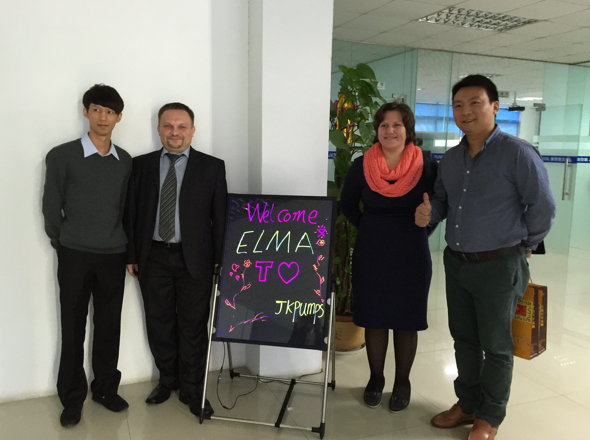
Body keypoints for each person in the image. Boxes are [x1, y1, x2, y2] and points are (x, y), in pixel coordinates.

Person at [415, 75, 556, 440]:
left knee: (496, 346)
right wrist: (429, 214)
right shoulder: (450, 158)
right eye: (458, 105)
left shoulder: (517, 153)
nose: (466, 111)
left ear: (494, 106)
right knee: (463, 339)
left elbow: (542, 208)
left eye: (475, 102)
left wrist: (524, 247)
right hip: (457, 262)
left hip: (499, 265)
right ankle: (467, 404)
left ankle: (489, 416)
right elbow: (442, 201)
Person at [125, 102, 227, 419]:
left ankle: (193, 389)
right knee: (159, 323)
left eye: (182, 126)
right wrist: (132, 255)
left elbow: (220, 216)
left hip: (195, 260)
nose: (175, 132)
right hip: (153, 256)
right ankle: (167, 380)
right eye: (168, 126)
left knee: (193, 326)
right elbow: (132, 212)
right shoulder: (140, 165)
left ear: (192, 131)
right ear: (159, 129)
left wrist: (220, 259)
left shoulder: (212, 167)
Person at [42, 84, 132, 427]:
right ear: (86, 112)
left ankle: (105, 389)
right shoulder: (62, 155)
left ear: (118, 117)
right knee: (73, 327)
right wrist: (62, 240)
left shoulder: (125, 161)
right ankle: (71, 397)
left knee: (109, 326)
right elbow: (51, 205)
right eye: (97, 110)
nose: (103, 117)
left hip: (113, 254)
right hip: (75, 254)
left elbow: (125, 209)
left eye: (110, 112)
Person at [340, 102, 437, 413]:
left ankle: (403, 382)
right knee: (375, 317)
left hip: (412, 251)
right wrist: (371, 227)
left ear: (408, 130)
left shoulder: (426, 165)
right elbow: (348, 205)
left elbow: (437, 206)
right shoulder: (361, 165)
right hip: (372, 251)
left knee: (407, 320)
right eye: (384, 125)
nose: (390, 130)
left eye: (397, 125)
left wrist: (425, 226)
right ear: (377, 130)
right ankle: (376, 378)